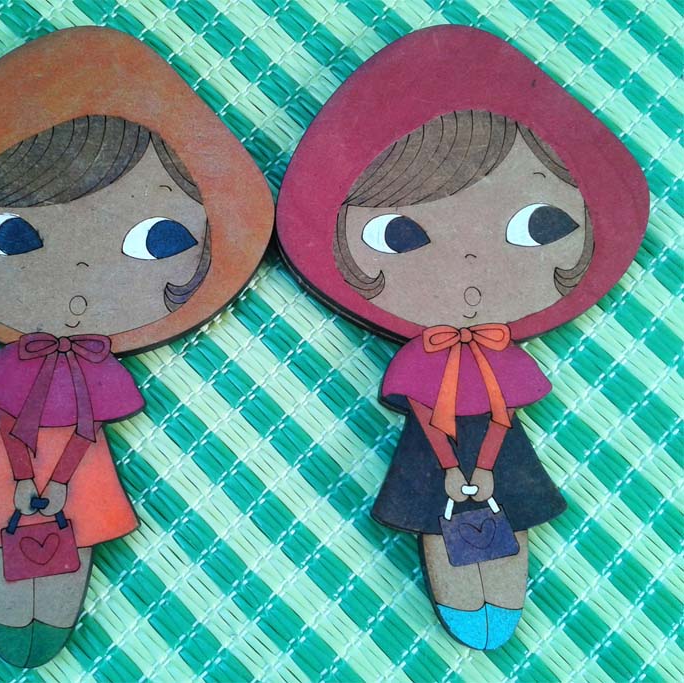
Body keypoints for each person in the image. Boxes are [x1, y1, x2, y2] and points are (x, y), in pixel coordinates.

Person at [0, 27, 272, 667]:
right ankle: (12, 622)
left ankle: (49, 619)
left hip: (76, 468)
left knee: (78, 524)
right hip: (9, 463)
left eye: (158, 239)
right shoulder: (18, 358)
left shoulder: (91, 363)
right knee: (3, 523)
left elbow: (89, 427)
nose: (84, 273)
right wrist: (24, 475)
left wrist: (58, 480)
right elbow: (5, 417)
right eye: (12, 234)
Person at [276, 26, 647, 650]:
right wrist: (452, 467)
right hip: (434, 450)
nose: (470, 263)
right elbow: (424, 410)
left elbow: (505, 409)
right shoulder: (423, 355)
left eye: (539, 224)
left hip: (499, 447)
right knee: (438, 509)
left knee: (512, 506)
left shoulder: (497, 349)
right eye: (398, 235)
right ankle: (467, 603)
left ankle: (498, 603)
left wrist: (481, 464)